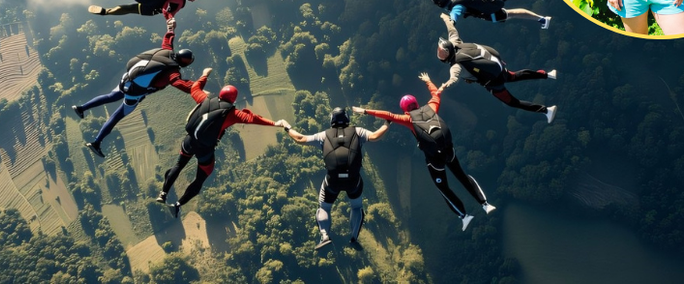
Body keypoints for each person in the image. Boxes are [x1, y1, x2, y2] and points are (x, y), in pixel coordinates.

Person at [352, 73, 495, 231]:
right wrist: (428, 81)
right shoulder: (432, 107)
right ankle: (485, 204)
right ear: (416, 103)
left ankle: (464, 216)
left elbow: (388, 115)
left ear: (405, 110)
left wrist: (365, 111)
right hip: (450, 151)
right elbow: (436, 93)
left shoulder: (409, 120)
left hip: (435, 160)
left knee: (443, 188)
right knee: (462, 176)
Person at [157, 74, 289, 217]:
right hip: (205, 150)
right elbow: (252, 118)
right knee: (200, 178)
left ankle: (163, 194)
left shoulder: (205, 99)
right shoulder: (231, 114)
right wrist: (275, 123)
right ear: (233, 99)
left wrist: (204, 75)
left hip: (189, 141)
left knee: (178, 165)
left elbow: (195, 88)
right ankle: (177, 205)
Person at [72, 18, 197, 158]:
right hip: (134, 93)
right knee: (116, 117)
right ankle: (96, 143)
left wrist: (171, 27)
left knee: (110, 97)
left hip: (126, 79)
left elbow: (168, 39)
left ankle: (81, 108)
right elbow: (179, 83)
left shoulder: (166, 51)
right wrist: (198, 88)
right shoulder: (172, 72)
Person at [283, 107, 389, 250]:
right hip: (353, 181)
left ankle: (325, 236)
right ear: (347, 119)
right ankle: (354, 237)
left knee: (324, 208)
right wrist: (387, 122)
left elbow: (300, 139)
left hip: (332, 182)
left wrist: (287, 127)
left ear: (332, 119)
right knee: (356, 206)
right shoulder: (358, 132)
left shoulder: (324, 135)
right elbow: (376, 136)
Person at [437, 13, 558, 123]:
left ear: (449, 53)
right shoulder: (455, 42)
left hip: (493, 82)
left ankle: (546, 111)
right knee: (514, 76)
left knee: (512, 102)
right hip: (497, 67)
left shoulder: (455, 66)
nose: (440, 54)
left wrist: (444, 86)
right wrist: (445, 18)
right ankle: (547, 74)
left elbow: (454, 79)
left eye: (442, 53)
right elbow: (452, 30)